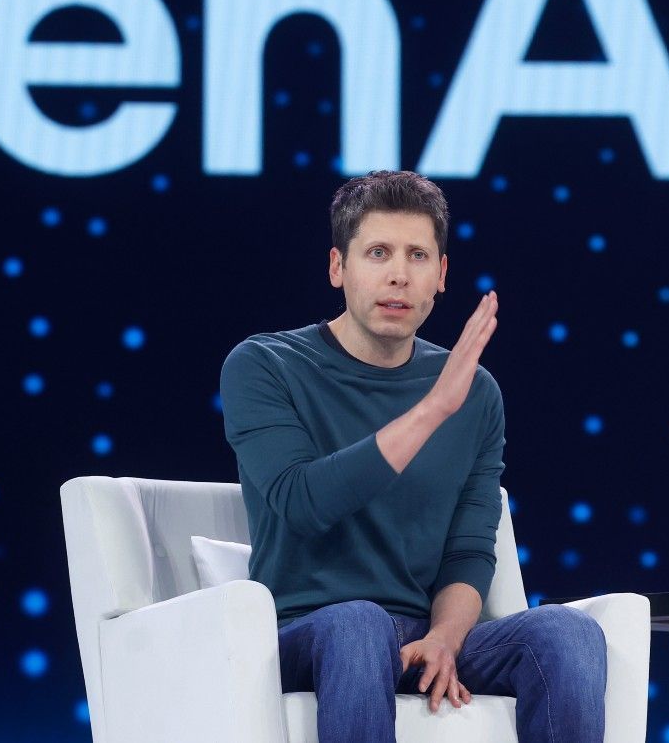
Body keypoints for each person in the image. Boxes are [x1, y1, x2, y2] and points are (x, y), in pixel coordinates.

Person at [219, 171, 607, 743]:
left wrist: (446, 639)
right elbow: (302, 502)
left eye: (418, 255)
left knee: (568, 634)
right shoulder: (264, 366)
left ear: (441, 275)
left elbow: (470, 549)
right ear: (337, 267)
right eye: (377, 252)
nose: (398, 273)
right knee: (359, 624)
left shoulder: (473, 392)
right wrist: (430, 411)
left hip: (423, 632)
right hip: (310, 632)